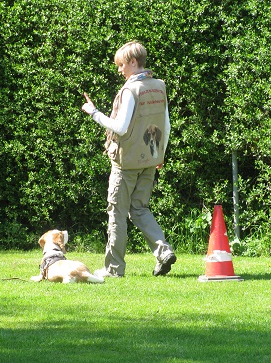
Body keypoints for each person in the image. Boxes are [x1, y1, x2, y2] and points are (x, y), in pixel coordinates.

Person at [81, 41, 176, 277]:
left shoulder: (129, 90)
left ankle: (114, 269)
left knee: (117, 214)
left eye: (122, 65)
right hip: (151, 158)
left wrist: (94, 113)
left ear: (133, 62)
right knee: (140, 209)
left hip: (126, 163)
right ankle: (163, 250)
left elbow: (121, 128)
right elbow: (166, 124)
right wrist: (159, 153)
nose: (120, 70)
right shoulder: (159, 85)